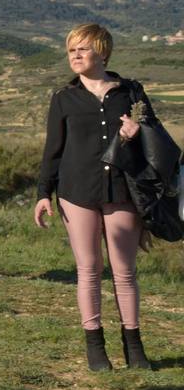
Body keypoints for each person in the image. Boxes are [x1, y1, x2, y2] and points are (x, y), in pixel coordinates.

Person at [34, 23, 157, 371]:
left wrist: (138, 130)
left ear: (102, 52)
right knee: (89, 270)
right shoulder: (63, 98)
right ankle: (96, 348)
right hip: (77, 191)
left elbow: (155, 133)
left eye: (82, 49)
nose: (75, 55)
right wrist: (44, 193)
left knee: (125, 271)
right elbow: (52, 150)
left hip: (122, 189)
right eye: (71, 49)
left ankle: (134, 347)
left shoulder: (131, 92)